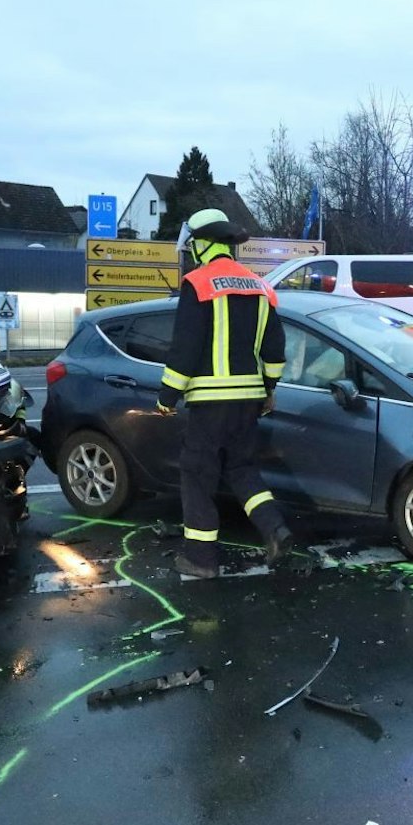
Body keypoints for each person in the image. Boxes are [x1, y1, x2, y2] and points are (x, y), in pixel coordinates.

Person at [157, 208, 292, 579]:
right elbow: (275, 348)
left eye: (194, 244)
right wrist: (269, 389)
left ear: (203, 243)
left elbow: (185, 347)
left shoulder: (198, 283)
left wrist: (167, 396)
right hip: (249, 401)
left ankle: (201, 559)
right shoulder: (260, 286)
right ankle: (275, 528)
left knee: (197, 474)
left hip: (210, 402)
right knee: (242, 468)